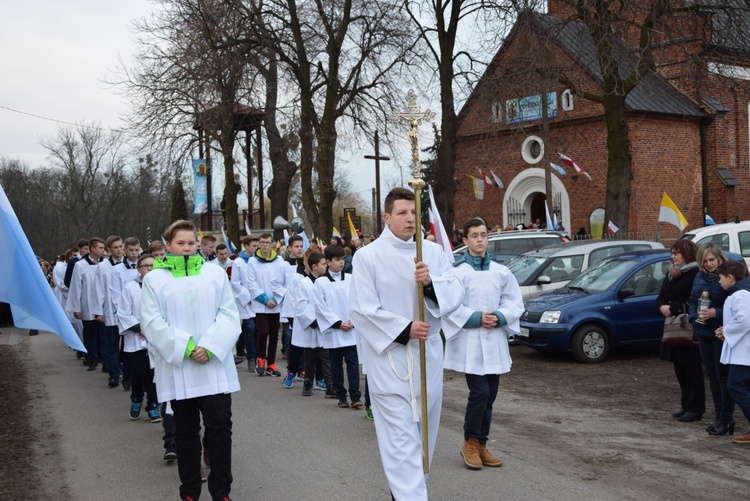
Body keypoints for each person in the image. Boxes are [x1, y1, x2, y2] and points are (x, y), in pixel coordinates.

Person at [349, 187, 463, 500]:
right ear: (386, 217)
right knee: (400, 445)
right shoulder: (367, 257)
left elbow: (455, 294)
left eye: (413, 212)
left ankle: (405, 493)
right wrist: (403, 329)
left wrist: (429, 284)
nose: (410, 218)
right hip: (391, 362)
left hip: (428, 359)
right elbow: (361, 309)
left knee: (422, 443)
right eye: (402, 213)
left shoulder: (433, 253)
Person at [141, 219, 241, 501]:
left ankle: (221, 491)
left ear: (198, 244)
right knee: (185, 433)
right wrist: (185, 346)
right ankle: (189, 491)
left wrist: (209, 346)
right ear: (169, 245)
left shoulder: (214, 274)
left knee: (220, 428)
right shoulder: (154, 279)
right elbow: (151, 321)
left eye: (191, 243)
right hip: (179, 367)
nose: (186, 248)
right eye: (180, 243)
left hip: (214, 366)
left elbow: (228, 314)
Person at [443, 217, 524, 470]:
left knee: (491, 396)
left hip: (494, 341)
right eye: (475, 236)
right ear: (465, 240)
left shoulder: (501, 271)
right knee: (480, 393)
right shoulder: (457, 273)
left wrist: (500, 316)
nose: (480, 240)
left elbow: (514, 302)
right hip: (471, 342)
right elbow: (449, 307)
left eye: (484, 235)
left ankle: (481, 443)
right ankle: (469, 442)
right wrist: (477, 317)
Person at [656, 239, 705, 422]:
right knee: (679, 368)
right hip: (673, 328)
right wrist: (661, 307)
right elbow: (660, 297)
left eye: (676, 253)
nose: (673, 256)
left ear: (687, 254)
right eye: (672, 253)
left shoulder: (695, 274)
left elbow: (696, 300)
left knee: (692, 368)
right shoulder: (671, 274)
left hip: (688, 327)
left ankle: (696, 407)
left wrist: (674, 308)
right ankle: (685, 404)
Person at [689, 243, 734, 435]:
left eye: (712, 260)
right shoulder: (699, 276)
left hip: (721, 333)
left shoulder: (727, 277)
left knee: (722, 376)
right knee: (712, 375)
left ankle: (726, 419)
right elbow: (692, 301)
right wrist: (693, 318)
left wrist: (716, 313)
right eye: (705, 260)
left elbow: (738, 307)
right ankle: (719, 417)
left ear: (719, 258)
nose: (709, 264)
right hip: (703, 332)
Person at [116, 253, 161, 423]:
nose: (149, 269)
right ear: (138, 269)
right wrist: (140, 328)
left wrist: (154, 329)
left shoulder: (161, 286)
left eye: (152, 265)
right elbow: (123, 313)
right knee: (138, 372)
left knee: (153, 373)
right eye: (145, 266)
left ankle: (153, 405)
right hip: (137, 339)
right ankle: (136, 399)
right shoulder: (130, 287)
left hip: (155, 338)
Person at [315, 244, 360, 408]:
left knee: (353, 364)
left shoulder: (350, 279)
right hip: (334, 331)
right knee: (336, 365)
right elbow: (320, 307)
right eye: (337, 260)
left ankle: (355, 396)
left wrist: (353, 320)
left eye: (342, 259)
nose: (341, 263)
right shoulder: (321, 283)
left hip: (351, 329)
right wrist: (338, 323)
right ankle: (341, 395)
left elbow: (357, 300)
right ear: (327, 261)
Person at [715, 260, 750, 444]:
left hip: (744, 352)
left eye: (721, 278)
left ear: (730, 277)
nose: (719, 281)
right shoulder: (737, 294)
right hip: (741, 349)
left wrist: (726, 332)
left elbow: (744, 321)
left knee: (735, 385)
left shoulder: (741, 295)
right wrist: (725, 331)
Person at [247, 232, 287, 377]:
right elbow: (251, 284)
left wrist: (276, 299)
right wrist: (265, 299)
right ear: (259, 244)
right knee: (263, 332)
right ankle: (261, 358)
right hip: (260, 304)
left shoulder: (280, 261)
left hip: (275, 304)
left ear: (272, 244)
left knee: (274, 334)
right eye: (262, 242)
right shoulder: (253, 262)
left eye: (267, 242)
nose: (264, 245)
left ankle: (271, 363)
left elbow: (284, 282)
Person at [67, 237, 105, 371]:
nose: (103, 251)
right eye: (100, 248)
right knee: (89, 332)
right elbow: (76, 287)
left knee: (102, 333)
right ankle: (92, 357)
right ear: (92, 249)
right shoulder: (80, 265)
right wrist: (76, 308)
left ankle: (102, 357)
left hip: (102, 304)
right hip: (87, 303)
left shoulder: (105, 264)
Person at [293, 252, 329, 396]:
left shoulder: (326, 282)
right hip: (312, 325)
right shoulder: (304, 283)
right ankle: (308, 383)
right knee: (310, 357)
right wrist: (314, 322)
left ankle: (327, 382)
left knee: (325, 356)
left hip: (324, 324)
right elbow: (301, 306)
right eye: (323, 264)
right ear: (314, 266)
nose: (326, 266)